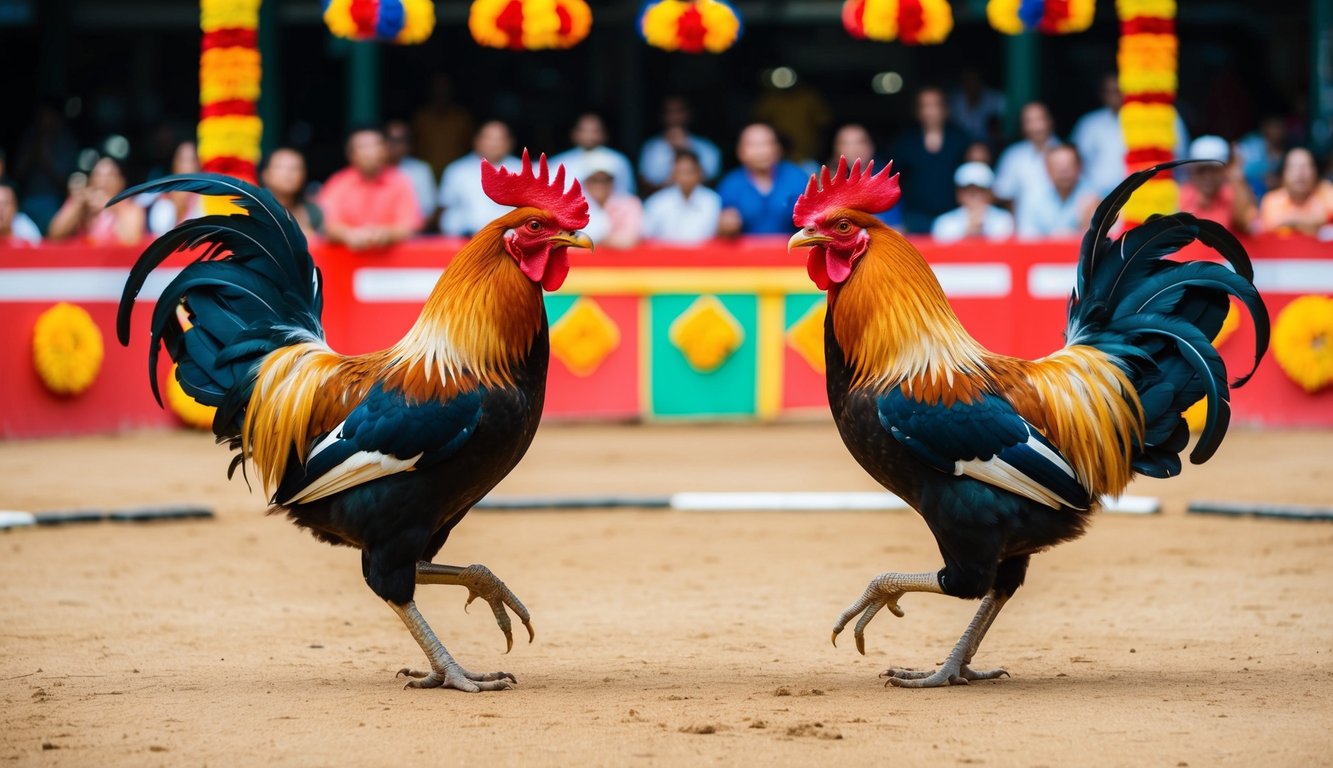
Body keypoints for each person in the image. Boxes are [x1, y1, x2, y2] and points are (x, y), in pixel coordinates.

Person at [1072, 74, 1188, 197]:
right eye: (1109, 91)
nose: (1115, 96)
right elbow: (1076, 165)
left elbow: (1181, 159)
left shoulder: (1163, 116)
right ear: (1102, 95)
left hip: (1150, 197)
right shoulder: (1089, 124)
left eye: (1119, 91)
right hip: (1099, 200)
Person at [318, 127, 422, 250]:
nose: (370, 151)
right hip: (346, 259)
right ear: (350, 154)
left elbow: (410, 225)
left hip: (390, 262)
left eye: (375, 145)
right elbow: (325, 223)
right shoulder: (338, 183)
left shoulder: (400, 182)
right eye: (363, 146)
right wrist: (348, 235)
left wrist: (387, 234)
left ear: (385, 150)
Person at [890, 87, 970, 233]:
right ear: (917, 111)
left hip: (953, 217)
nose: (930, 111)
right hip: (915, 218)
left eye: (935, 105)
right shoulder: (905, 143)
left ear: (946, 110)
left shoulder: (960, 140)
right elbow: (893, 181)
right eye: (924, 106)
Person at [716, 123, 809, 237]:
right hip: (746, 253)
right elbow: (720, 234)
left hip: (790, 251)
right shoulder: (731, 184)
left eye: (766, 144)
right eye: (753, 145)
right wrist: (725, 227)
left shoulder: (797, 178)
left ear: (778, 149)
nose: (761, 151)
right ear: (740, 152)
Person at [437, 120, 521, 237]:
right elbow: (444, 208)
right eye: (488, 138)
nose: (493, 144)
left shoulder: (522, 169)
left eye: (499, 139)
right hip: (464, 242)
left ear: (510, 143)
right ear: (476, 140)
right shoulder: (457, 170)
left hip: (510, 241)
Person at [48, 157, 146, 245]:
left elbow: (132, 240)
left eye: (110, 175)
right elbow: (55, 235)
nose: (104, 180)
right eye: (98, 175)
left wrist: (112, 205)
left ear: (121, 181)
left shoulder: (130, 207)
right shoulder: (82, 203)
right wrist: (78, 203)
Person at [638, 96, 722, 191]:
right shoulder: (651, 148)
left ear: (689, 114)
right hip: (659, 203)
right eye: (669, 112)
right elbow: (644, 184)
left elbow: (711, 182)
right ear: (662, 116)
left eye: (679, 111)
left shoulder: (707, 148)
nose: (674, 117)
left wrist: (685, 149)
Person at [1013, 145, 1098, 240]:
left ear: (1079, 167)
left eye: (1068, 165)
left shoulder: (1093, 196)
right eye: (1058, 166)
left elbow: (1097, 240)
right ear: (1047, 169)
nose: (1063, 171)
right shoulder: (1033, 198)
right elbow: (1026, 237)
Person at [1178, 136, 1258, 235]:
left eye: (1214, 170)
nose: (1208, 176)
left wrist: (1235, 173)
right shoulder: (1180, 196)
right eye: (1201, 170)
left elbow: (1245, 223)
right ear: (1192, 171)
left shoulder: (1233, 193)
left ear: (1224, 171)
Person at [830, 123, 903, 228]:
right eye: (847, 144)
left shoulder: (885, 185)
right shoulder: (826, 185)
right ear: (837, 149)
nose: (854, 148)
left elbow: (898, 228)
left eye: (860, 142)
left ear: (871, 146)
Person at [642, 150, 720, 245]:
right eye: (681, 172)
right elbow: (645, 237)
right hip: (665, 257)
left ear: (700, 173)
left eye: (689, 172)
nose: (685, 177)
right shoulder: (657, 202)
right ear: (672, 174)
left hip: (704, 258)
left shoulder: (713, 201)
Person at [992, 102, 1061, 205]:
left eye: (1040, 119)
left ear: (1050, 121)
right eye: (1029, 121)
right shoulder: (1013, 156)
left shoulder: (1066, 154)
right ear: (1022, 126)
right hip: (1022, 220)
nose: (1036, 127)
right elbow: (1003, 193)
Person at [552, 113, 636, 196]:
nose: (589, 135)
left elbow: (626, 194)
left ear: (604, 134)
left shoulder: (618, 161)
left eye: (595, 131)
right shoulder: (558, 162)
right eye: (584, 131)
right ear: (574, 134)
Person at [931, 162, 1014, 243]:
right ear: (958, 193)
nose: (974, 196)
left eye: (980, 191)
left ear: (989, 193)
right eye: (969, 191)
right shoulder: (944, 223)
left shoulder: (1003, 220)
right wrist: (969, 230)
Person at [1258, 147, 1333, 236]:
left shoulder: (1326, 192)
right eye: (1293, 167)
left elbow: (1323, 219)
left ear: (1315, 172)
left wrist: (1290, 220)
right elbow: (1271, 224)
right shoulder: (1271, 200)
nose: (1300, 173)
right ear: (1283, 174)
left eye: (1306, 166)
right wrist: (1311, 221)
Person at [411, 73, 475, 178]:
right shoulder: (422, 117)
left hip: (456, 174)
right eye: (438, 87)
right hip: (425, 174)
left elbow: (469, 145)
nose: (441, 92)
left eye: (445, 88)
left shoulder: (461, 117)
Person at [580, 149, 643, 250]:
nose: (600, 185)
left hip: (619, 264)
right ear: (585, 182)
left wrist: (589, 240)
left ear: (614, 181)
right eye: (594, 180)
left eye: (605, 180)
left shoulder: (629, 204)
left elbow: (629, 240)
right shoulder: (572, 206)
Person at [261, 147, 323, 240]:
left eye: (295, 168)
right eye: (280, 167)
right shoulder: (253, 209)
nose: (288, 173)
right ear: (265, 174)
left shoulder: (313, 211)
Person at [385, 119, 438, 224]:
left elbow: (429, 211)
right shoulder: (373, 171)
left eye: (399, 141)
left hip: (413, 234)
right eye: (389, 139)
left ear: (408, 145)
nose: (393, 145)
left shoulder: (420, 170)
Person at [146, 141, 204, 235]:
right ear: (175, 163)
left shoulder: (205, 199)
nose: (187, 165)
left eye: (192, 160)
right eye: (183, 160)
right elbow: (159, 235)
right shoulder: (163, 200)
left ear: (198, 164)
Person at [949, 68, 1006, 143]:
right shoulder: (956, 101)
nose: (971, 85)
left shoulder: (996, 99)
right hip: (962, 143)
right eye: (968, 81)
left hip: (990, 143)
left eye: (974, 81)